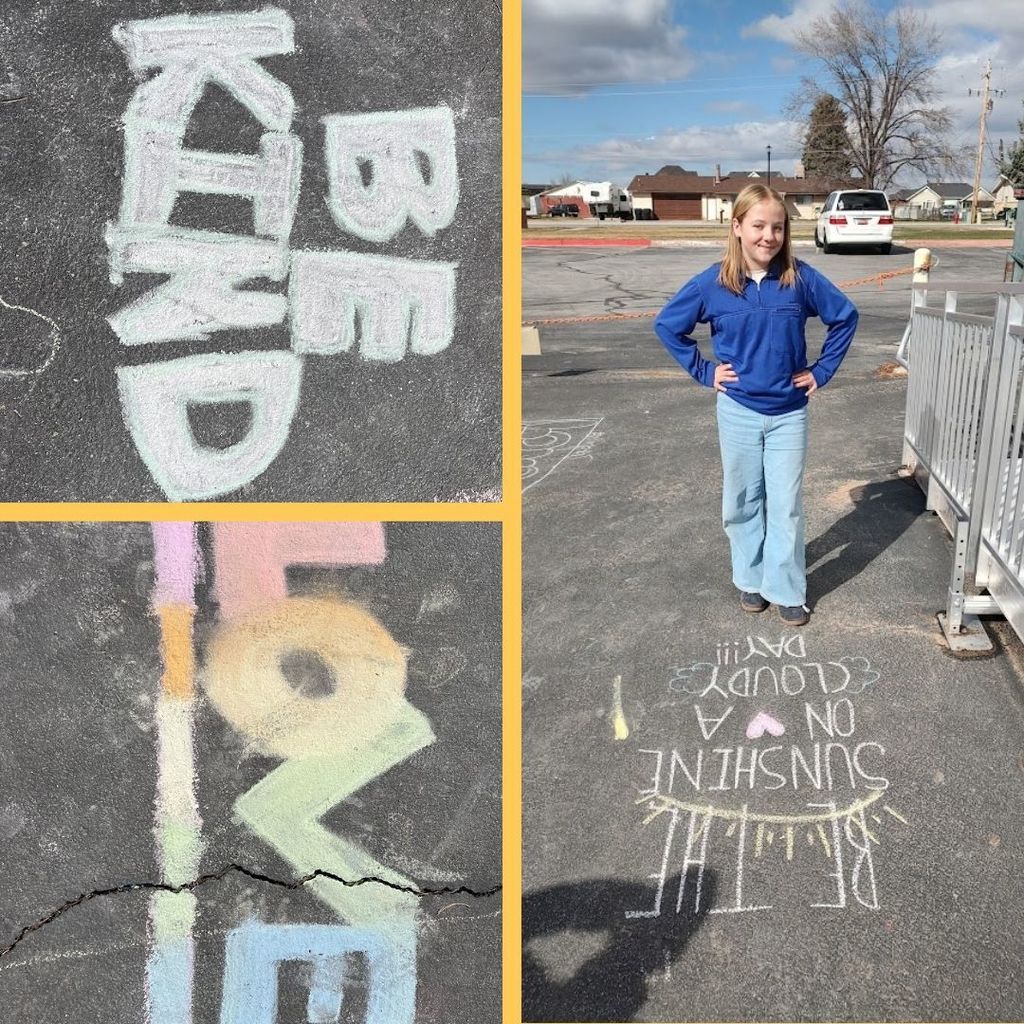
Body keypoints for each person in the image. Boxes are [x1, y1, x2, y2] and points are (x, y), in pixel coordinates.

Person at [654, 184, 858, 626]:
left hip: (788, 413)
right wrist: (705, 372)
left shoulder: (799, 278)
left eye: (778, 228)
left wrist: (821, 372)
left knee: (784, 504)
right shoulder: (713, 283)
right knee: (743, 501)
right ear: (737, 227)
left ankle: (785, 587)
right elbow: (668, 326)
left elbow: (845, 316)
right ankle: (750, 580)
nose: (769, 236)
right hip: (739, 411)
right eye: (759, 226)